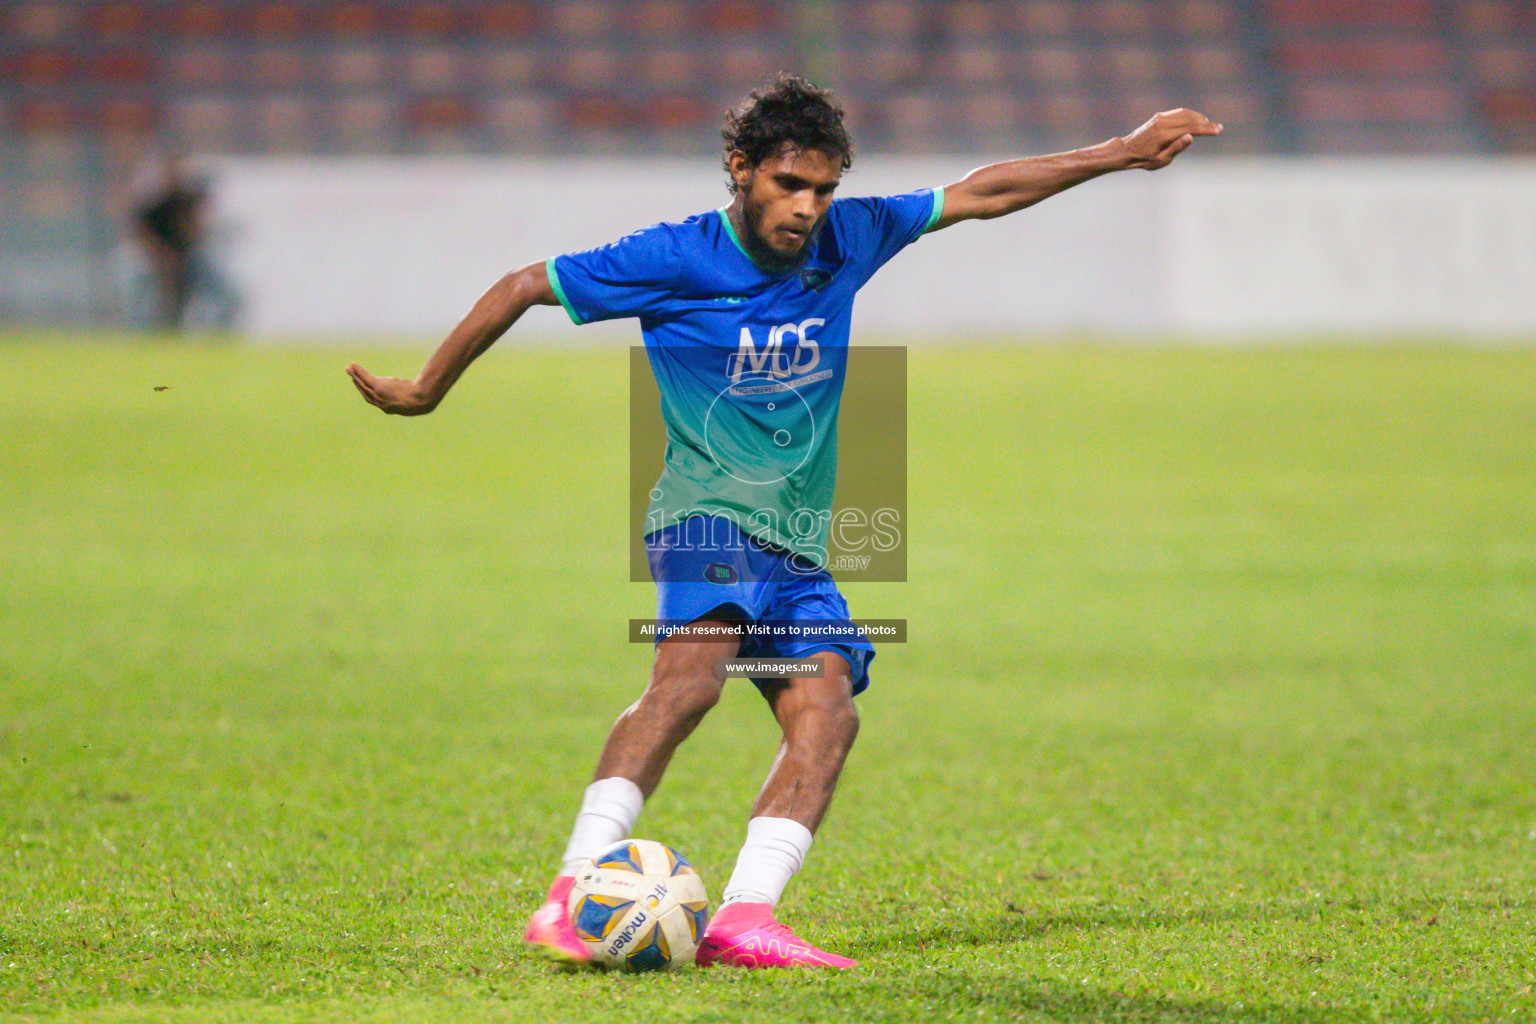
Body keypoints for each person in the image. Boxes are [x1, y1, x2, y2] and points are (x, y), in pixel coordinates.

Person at [347, 75, 1220, 969]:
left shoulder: (851, 237)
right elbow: (526, 283)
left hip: (797, 543)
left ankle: (743, 919)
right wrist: (425, 390)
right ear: (740, 170)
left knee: (827, 710)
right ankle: (572, 893)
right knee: (689, 683)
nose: (809, 208)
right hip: (704, 515)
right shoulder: (676, 257)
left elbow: (983, 192)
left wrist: (1121, 150)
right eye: (790, 186)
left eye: (824, 188)